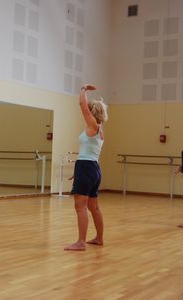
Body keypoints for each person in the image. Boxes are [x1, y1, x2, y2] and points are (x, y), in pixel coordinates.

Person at [65, 84, 107, 251]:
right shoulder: (100, 130)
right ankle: (99, 238)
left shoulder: (93, 126)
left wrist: (83, 89)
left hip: (87, 167)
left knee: (80, 206)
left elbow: (82, 105)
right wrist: (78, 173)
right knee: (93, 207)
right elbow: (88, 153)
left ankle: (81, 242)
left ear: (92, 112)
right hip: (92, 168)